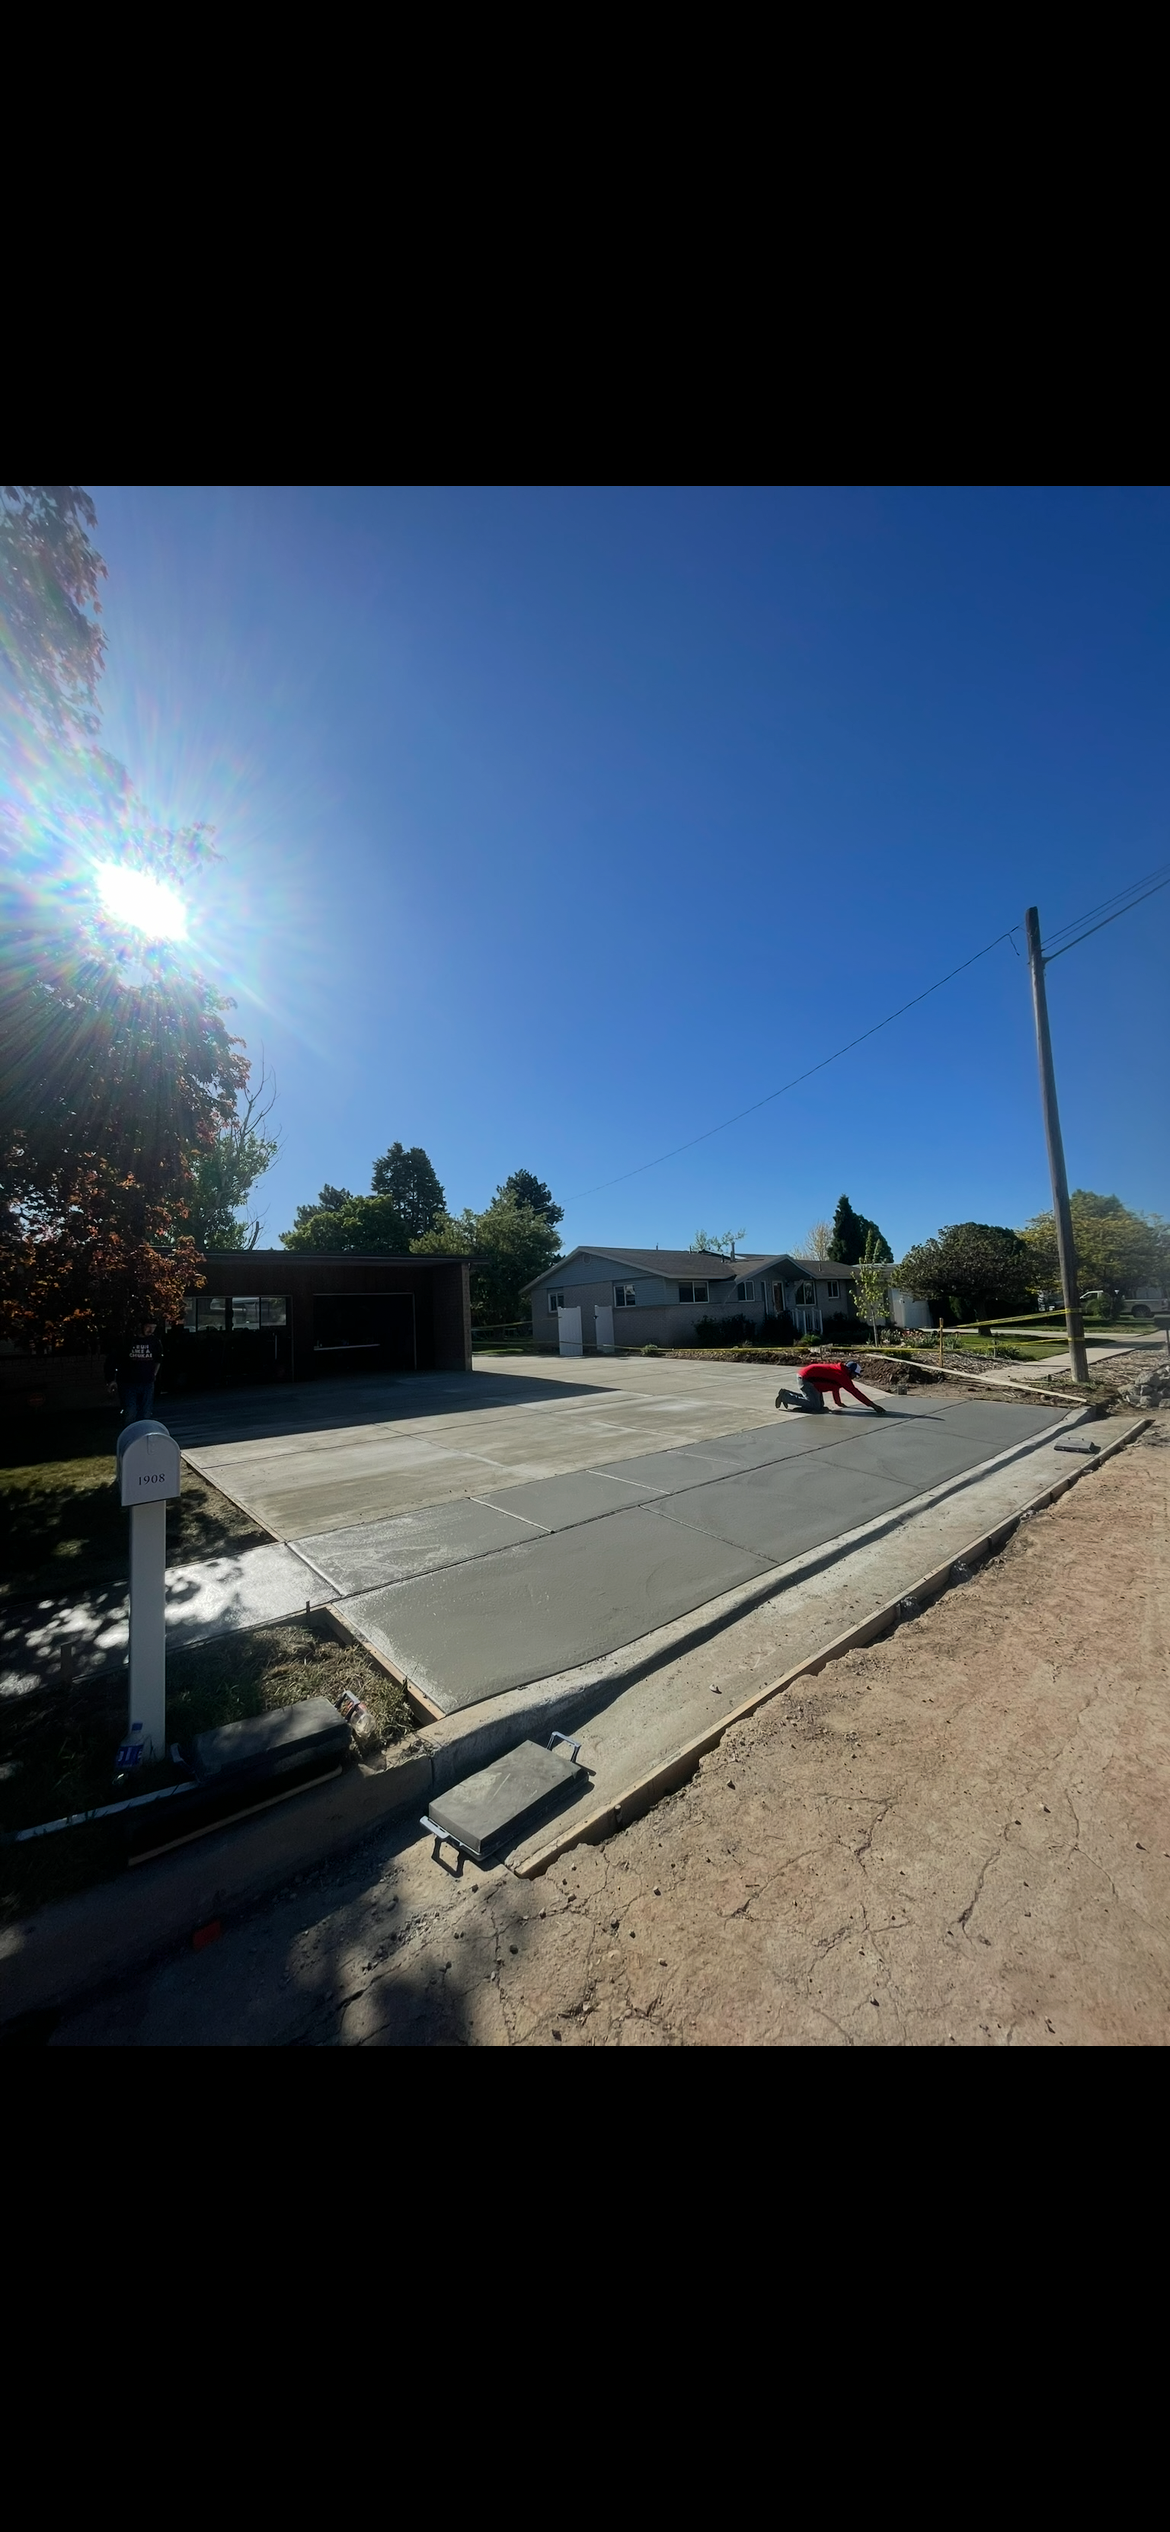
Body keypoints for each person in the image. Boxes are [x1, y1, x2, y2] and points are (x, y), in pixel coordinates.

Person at [777, 1358, 886, 1414]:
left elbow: (835, 1388)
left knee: (820, 1407)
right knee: (814, 1406)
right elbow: (855, 1392)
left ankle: (788, 1394)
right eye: (854, 1375)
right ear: (849, 1371)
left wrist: (838, 1403)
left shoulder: (841, 1373)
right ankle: (785, 1396)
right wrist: (873, 1406)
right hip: (806, 1378)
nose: (854, 1377)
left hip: (813, 1381)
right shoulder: (842, 1375)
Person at [105, 1323, 163, 1424]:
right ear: (141, 1326)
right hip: (128, 1383)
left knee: (146, 1413)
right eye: (148, 1327)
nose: (151, 1330)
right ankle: (130, 1436)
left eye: (154, 1328)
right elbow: (113, 1360)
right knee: (130, 1412)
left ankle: (143, 1436)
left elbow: (158, 1359)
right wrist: (111, 1379)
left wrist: (154, 1375)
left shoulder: (154, 1342)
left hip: (147, 1383)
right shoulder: (128, 1341)